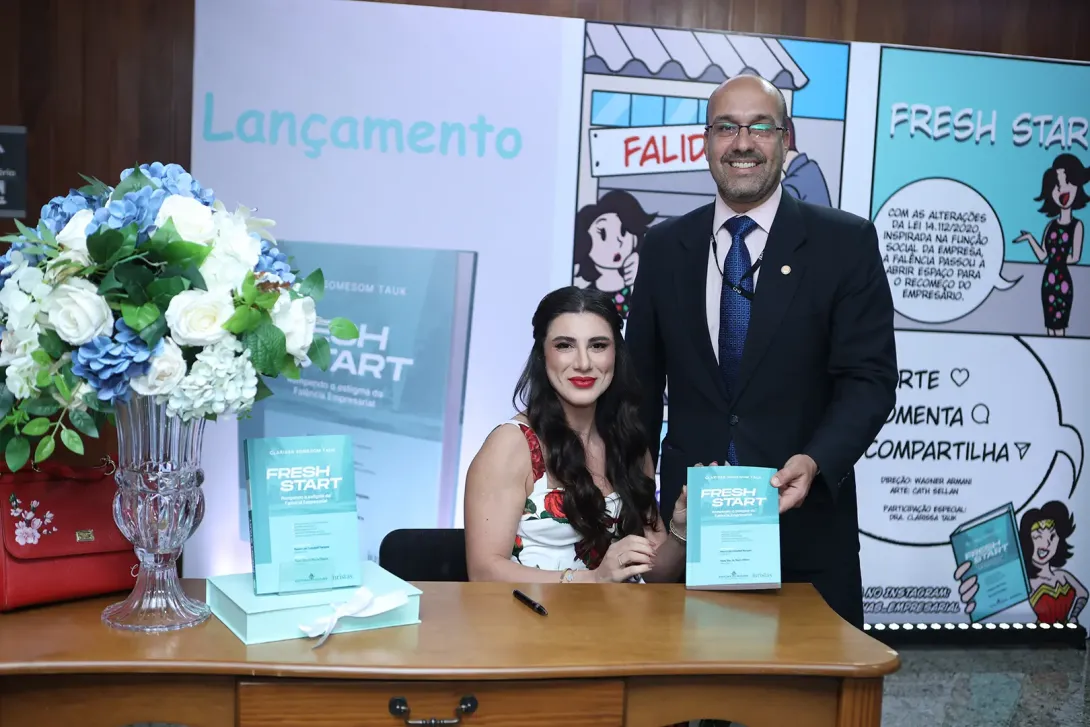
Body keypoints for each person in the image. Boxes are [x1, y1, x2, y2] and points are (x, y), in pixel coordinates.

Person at [624, 74, 898, 630]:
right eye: (727, 128)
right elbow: (639, 389)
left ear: (786, 139)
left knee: (809, 685)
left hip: (805, 530)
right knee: (684, 685)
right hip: (685, 532)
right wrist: (640, 501)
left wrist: (816, 461)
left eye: (760, 128)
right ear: (706, 142)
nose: (743, 143)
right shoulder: (665, 247)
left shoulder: (845, 243)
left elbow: (868, 380)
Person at [463, 286, 687, 585]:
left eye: (598, 345)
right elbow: (483, 572)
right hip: (532, 615)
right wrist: (593, 580)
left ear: (616, 355)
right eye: (565, 345)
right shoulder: (511, 445)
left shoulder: (628, 442)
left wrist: (682, 531)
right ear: (542, 355)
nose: (583, 363)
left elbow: (657, 574)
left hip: (624, 616)